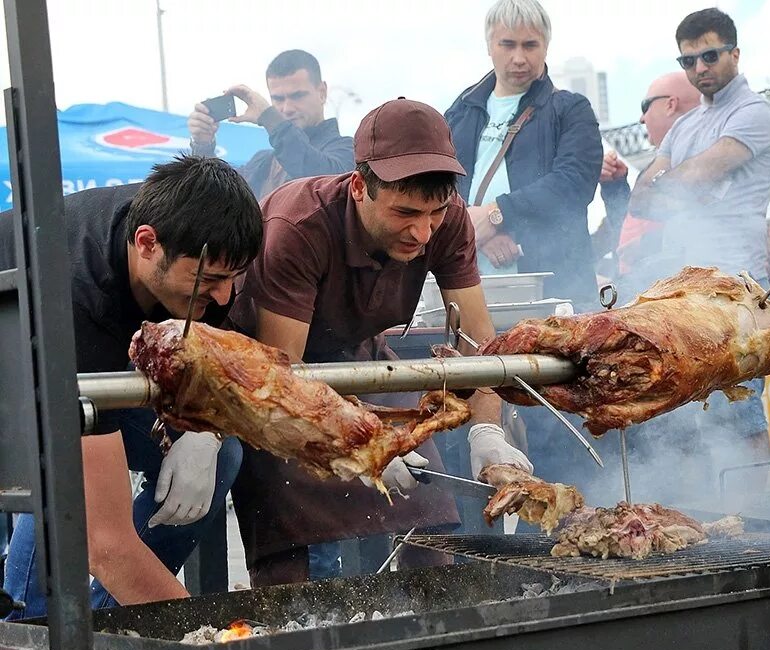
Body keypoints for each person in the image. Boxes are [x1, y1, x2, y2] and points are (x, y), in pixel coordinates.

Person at [225, 98, 533, 587]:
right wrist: (367, 445)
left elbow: (481, 351)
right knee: (289, 551)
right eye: (405, 212)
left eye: (434, 213)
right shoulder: (297, 227)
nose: (422, 231)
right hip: (272, 383)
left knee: (430, 522)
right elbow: (282, 380)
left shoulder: (445, 222)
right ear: (359, 187)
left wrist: (487, 431)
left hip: (362, 359)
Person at [0, 156, 263, 617]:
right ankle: (34, 628)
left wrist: (207, 431)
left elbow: (219, 373)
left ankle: (113, 619)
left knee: (221, 453)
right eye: (214, 280)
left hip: (94, 364)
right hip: (22, 359)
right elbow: (105, 543)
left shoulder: (183, 237)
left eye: (234, 279)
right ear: (146, 244)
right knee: (61, 484)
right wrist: (214, 639)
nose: (224, 297)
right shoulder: (75, 297)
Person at [627, 7, 770, 489]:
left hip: (735, 281)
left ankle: (758, 514)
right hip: (685, 282)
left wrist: (669, 179)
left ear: (735, 53)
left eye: (710, 56)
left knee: (740, 404)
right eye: (689, 60)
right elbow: (641, 195)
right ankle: (700, 508)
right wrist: (669, 181)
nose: (700, 69)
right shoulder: (686, 125)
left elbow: (691, 178)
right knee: (686, 405)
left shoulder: (754, 112)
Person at [444, 0, 603, 307]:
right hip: (466, 289)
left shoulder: (570, 109)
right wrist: (474, 231)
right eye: (508, 44)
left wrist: (496, 217)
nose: (519, 58)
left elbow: (573, 184)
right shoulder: (459, 112)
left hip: (552, 293)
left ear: (546, 46)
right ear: (490, 45)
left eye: (530, 45)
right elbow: (437, 188)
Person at [188, 49, 354, 199]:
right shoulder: (262, 162)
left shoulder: (349, 150)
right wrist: (203, 145)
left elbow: (321, 181)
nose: (287, 108)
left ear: (322, 92)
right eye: (278, 99)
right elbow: (218, 199)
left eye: (297, 96)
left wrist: (269, 116)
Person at [598, 72, 702, 284]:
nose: (642, 118)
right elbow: (625, 230)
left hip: (671, 295)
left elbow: (706, 227)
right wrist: (615, 186)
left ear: (670, 105)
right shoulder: (659, 165)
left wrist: (647, 244)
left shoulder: (701, 160)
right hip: (639, 290)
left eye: (646, 106)